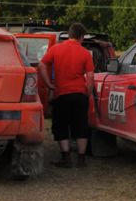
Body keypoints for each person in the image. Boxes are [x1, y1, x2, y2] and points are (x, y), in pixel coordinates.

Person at [38, 22, 94, 168]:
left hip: (61, 94)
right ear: (81, 37)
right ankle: (81, 159)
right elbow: (90, 77)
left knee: (61, 125)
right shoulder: (85, 53)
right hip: (79, 94)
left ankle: (66, 157)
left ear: (69, 35)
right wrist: (87, 93)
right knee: (81, 125)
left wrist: (49, 84)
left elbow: (42, 65)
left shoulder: (56, 49)